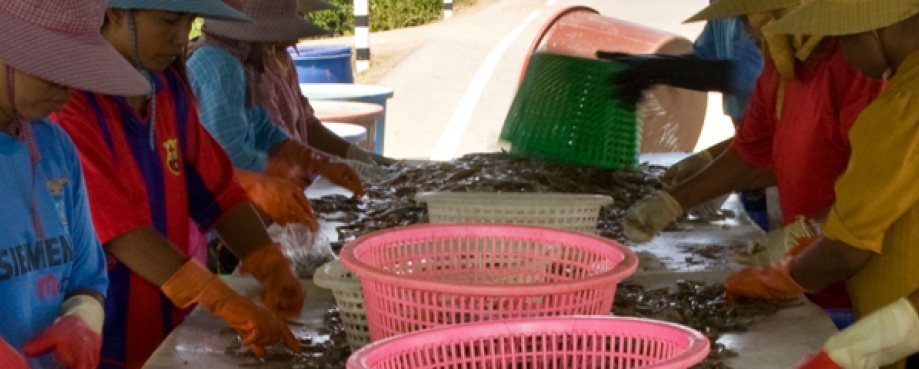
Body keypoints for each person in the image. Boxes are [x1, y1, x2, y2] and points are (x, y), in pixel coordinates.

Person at [50, 1, 308, 368]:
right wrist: (218, 296)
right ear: (115, 13)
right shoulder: (70, 104)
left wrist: (267, 259)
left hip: (166, 323)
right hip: (102, 335)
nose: (182, 37)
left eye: (189, 21)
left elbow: (217, 189)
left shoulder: (166, 88)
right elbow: (122, 231)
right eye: (170, 20)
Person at [619, 0, 883, 328]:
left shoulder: (856, 69)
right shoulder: (779, 70)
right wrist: (675, 201)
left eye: (750, 19)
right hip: (811, 275)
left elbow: (879, 187)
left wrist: (805, 234)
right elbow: (751, 152)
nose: (745, 31)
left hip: (861, 279)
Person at [729, 0, 919, 367]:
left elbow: (846, 252)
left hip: (905, 335)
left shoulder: (901, 105)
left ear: (872, 32)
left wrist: (775, 278)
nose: (846, 56)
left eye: (844, 41)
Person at [0, 0, 151, 368]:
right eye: (55, 71)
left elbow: (88, 275)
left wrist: (82, 319)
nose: (67, 93)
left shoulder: (55, 148)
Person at [598, 0, 775, 229]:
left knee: (791, 235)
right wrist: (655, 67)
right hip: (749, 138)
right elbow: (705, 61)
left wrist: (675, 202)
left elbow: (752, 75)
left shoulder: (767, 11)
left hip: (775, 147)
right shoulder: (721, 10)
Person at [186, 0, 366, 198]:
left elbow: (263, 128)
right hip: (219, 209)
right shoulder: (220, 67)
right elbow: (231, 157)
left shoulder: (239, 64)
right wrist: (281, 171)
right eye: (269, 42)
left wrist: (317, 160)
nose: (270, 49)